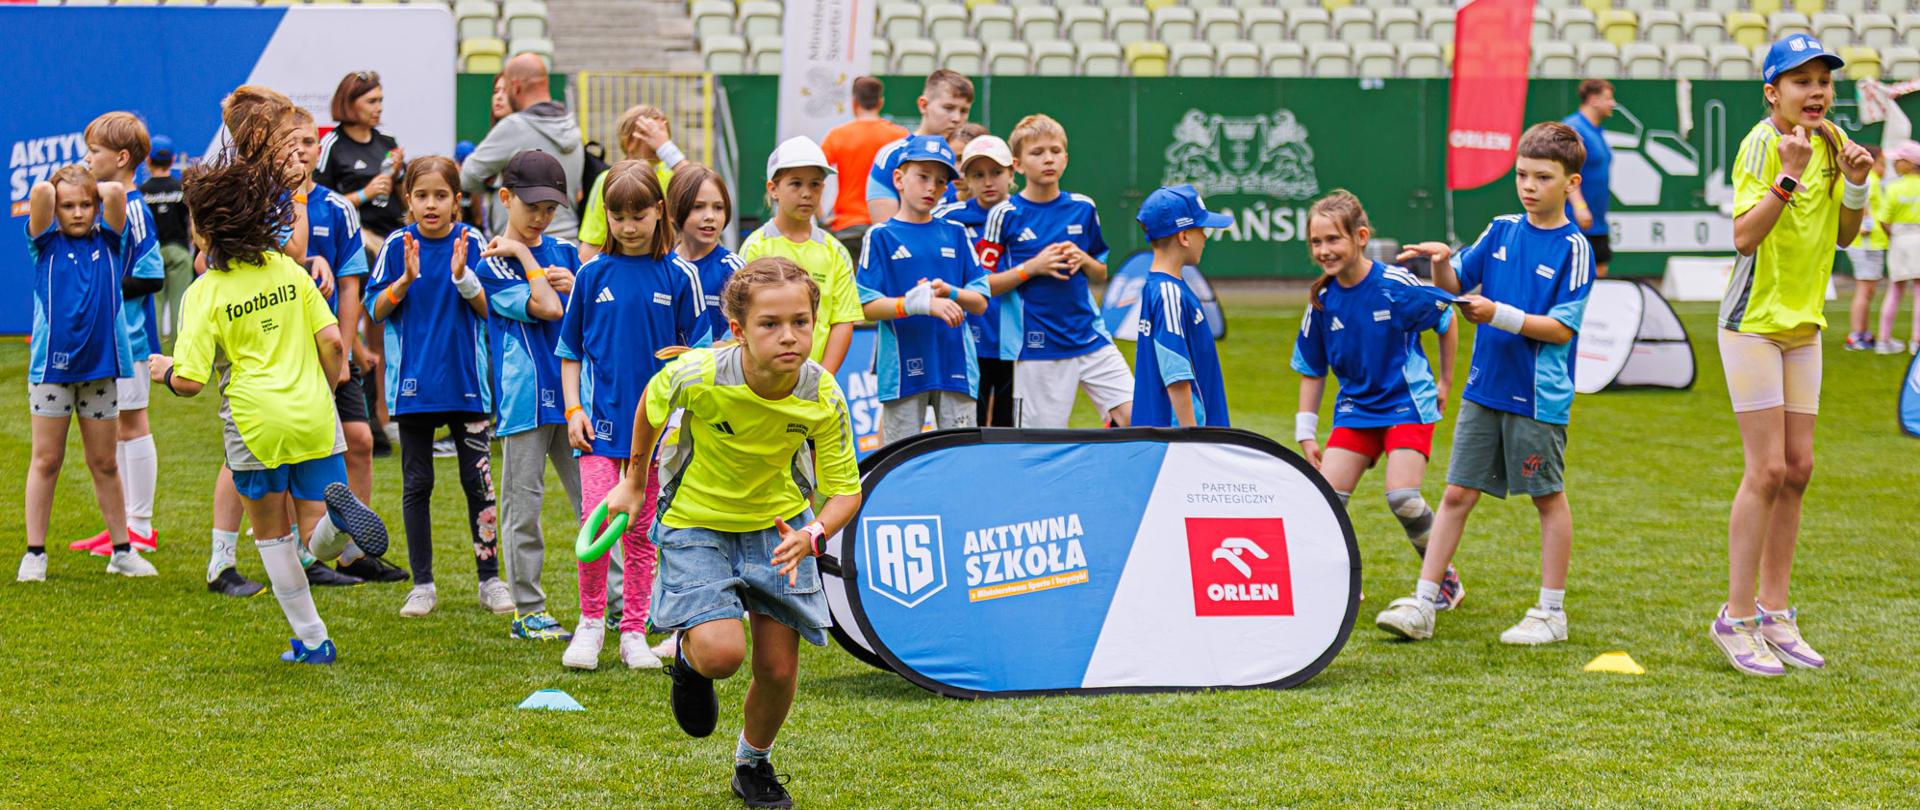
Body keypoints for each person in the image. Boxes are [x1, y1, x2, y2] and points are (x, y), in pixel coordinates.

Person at [598, 257, 862, 810]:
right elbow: (652, 399)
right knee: (722, 654)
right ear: (739, 331)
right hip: (697, 522)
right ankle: (691, 666)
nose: (788, 336)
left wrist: (812, 533)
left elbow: (845, 493)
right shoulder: (699, 373)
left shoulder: (823, 394)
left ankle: (753, 764)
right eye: (770, 324)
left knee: (778, 669)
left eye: (800, 321)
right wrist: (633, 480)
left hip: (780, 531)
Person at [148, 108, 390, 664]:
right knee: (314, 532)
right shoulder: (290, 271)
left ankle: (313, 640)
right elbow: (333, 342)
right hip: (313, 412)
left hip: (255, 424)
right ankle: (337, 527)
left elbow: (188, 382)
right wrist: (327, 390)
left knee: (274, 539)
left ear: (207, 230)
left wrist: (162, 369)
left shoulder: (204, 293)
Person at [1379, 121, 1597, 646]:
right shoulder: (1500, 229)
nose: (1528, 186)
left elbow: (1562, 329)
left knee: (1547, 497)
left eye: (1543, 177)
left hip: (1537, 397)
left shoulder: (1575, 248)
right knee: (1455, 494)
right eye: (1522, 174)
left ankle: (1551, 613)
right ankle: (1426, 601)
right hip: (1485, 388)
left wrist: (1499, 314)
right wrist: (1443, 265)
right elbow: (1458, 288)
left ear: (1570, 183)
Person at [1703, 37, 1875, 675]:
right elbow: (1744, 236)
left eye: (1823, 80)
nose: (1817, 91)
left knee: (1800, 467)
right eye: (1800, 81)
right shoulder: (1762, 144)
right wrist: (1788, 175)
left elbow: (1846, 234)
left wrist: (1854, 184)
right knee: (1767, 470)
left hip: (1805, 325)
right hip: (1752, 325)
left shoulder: (1831, 141)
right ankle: (1737, 615)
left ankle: (1776, 613)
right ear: (1772, 93)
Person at [557, 160, 709, 670]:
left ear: (659, 211)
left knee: (644, 534)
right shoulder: (590, 274)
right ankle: (590, 625)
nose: (627, 225)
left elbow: (700, 357)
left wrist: (680, 427)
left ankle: (633, 632)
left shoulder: (681, 275)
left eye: (638, 214)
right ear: (605, 216)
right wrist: (573, 408)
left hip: (659, 437)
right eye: (617, 215)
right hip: (599, 432)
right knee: (595, 526)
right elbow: (570, 351)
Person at [1290, 190, 1463, 608]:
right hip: (1356, 408)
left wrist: (1444, 382)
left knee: (1402, 496)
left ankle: (1444, 581)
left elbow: (1447, 317)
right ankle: (1345, 584)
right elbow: (1313, 368)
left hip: (1407, 403)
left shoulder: (1395, 285)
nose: (1324, 250)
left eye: (1334, 239)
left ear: (1361, 237)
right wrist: (1306, 430)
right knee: (1325, 501)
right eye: (1317, 242)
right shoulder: (1321, 301)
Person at [365, 155, 507, 618]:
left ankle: (490, 580)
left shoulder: (473, 241)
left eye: (441, 196)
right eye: (422, 196)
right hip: (414, 388)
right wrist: (404, 281)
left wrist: (465, 278)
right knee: (417, 483)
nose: (431, 205)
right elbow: (376, 310)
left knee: (478, 482)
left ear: (457, 201)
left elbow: (490, 311)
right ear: (409, 200)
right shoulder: (395, 245)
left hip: (467, 385)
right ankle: (422, 584)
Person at [474, 150, 586, 640]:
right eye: (532, 206)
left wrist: (577, 284)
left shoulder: (565, 255)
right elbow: (544, 307)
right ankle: (529, 610)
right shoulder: (494, 259)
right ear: (505, 198)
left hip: (575, 397)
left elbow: (586, 314)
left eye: (550, 209)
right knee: (525, 511)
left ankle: (622, 604)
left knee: (597, 503)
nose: (541, 217)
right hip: (525, 400)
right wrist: (524, 255)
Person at [18, 167, 143, 582]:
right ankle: (35, 553)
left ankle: (122, 550)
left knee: (105, 462)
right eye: (67, 206)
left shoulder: (110, 241)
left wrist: (91, 185)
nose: (77, 213)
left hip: (100, 370)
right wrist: (58, 190)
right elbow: (37, 192)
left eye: (85, 205)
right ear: (54, 208)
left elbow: (115, 194)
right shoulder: (44, 244)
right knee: (47, 460)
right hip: (51, 371)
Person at [982, 114, 1132, 429]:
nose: (1048, 158)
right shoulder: (1005, 214)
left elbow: (1100, 273)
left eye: (1055, 151)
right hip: (1038, 348)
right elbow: (983, 285)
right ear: (1018, 165)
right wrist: (1031, 268)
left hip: (1091, 338)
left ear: (1065, 158)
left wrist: (1083, 259)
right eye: (1037, 153)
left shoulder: (1083, 207)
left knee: (1137, 418)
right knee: (1042, 445)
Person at [67, 112, 163, 559]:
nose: (88, 158)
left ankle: (141, 526)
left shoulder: (137, 209)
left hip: (129, 341)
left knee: (132, 424)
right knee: (115, 431)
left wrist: (99, 285)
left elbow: (150, 276)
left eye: (96, 151)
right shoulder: (102, 205)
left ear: (122, 158)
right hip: (102, 341)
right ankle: (122, 524)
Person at [856, 135, 990, 443]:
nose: (932, 187)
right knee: (898, 461)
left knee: (960, 459)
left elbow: (980, 301)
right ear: (898, 179)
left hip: (955, 366)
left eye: (941, 181)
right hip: (903, 370)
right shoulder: (880, 235)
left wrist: (951, 293)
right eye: (923, 177)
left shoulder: (956, 232)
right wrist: (917, 304)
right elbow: (865, 306)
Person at [739, 137, 862, 374]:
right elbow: (745, 318)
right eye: (795, 184)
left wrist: (822, 380)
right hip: (764, 380)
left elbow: (843, 321)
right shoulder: (755, 247)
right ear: (773, 189)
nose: (807, 193)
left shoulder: (835, 251)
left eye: (815, 184)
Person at [1131, 184, 1235, 429]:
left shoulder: (1162, 287)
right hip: (1182, 441)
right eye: (1201, 229)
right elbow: (1176, 375)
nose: (1206, 237)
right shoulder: (1168, 293)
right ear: (1184, 236)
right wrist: (1191, 438)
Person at [933, 135, 1019, 425]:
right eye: (978, 175)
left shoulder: (1025, 214)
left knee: (1012, 427)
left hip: (1016, 338)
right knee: (972, 425)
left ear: (1012, 172)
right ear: (965, 179)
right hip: (967, 336)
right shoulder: (948, 218)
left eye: (996, 172)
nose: (988, 182)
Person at [461, 54, 586, 239]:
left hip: (522, 246)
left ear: (516, 87)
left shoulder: (515, 126)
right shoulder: (571, 125)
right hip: (567, 245)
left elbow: (467, 176)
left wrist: (497, 181)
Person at [579, 104, 694, 260]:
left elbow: (697, 183)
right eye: (652, 132)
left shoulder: (671, 174)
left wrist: (666, 148)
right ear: (630, 140)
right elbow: (591, 244)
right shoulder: (607, 179)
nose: (662, 138)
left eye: (663, 133)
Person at [316, 71, 407, 261]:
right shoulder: (330, 145)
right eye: (371, 101)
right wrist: (365, 194)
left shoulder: (387, 140)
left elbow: (406, 198)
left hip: (395, 235)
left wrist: (398, 175)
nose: (379, 108)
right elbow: (321, 206)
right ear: (349, 103)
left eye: (380, 101)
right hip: (358, 238)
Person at [865, 70, 974, 224]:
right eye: (948, 108)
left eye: (964, 111)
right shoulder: (892, 155)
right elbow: (887, 234)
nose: (956, 118)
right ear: (924, 105)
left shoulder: (974, 154)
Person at [821, 76, 907, 257]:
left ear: (854, 103)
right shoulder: (900, 136)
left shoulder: (838, 135)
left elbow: (813, 172)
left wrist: (821, 217)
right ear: (881, 102)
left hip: (847, 227)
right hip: (889, 226)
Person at [670, 164, 746, 342]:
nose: (710, 216)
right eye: (698, 206)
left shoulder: (734, 271)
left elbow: (743, 334)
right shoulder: (662, 266)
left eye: (718, 207)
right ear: (673, 211)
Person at [141, 136, 193, 346]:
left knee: (155, 303)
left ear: (148, 161)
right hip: (179, 251)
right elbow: (191, 223)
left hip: (153, 253)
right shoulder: (181, 188)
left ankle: (153, 351)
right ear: (173, 160)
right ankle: (178, 351)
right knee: (180, 303)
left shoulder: (141, 191)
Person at [1564, 79, 1615, 278]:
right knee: (1576, 274)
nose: (1613, 103)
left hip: (1597, 220)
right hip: (1576, 219)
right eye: (1608, 98)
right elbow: (1567, 169)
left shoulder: (1596, 130)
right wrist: (1580, 206)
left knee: (1599, 268)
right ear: (1593, 100)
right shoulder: (1574, 128)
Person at [1874, 141, 1920, 355]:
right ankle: (1916, 342)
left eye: (1899, 160)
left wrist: (1894, 235)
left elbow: (1883, 219)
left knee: (1895, 290)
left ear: (1910, 163)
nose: (1894, 163)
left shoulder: (1892, 188)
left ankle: (1883, 340)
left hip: (1900, 239)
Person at [1843, 144, 1889, 351]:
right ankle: (1857, 334)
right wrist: (1865, 226)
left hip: (1870, 243)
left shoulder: (1874, 180)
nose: (1884, 168)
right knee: (1864, 290)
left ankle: (1863, 332)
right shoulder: (1870, 180)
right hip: (1866, 243)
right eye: (1881, 163)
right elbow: (1864, 208)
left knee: (1867, 291)